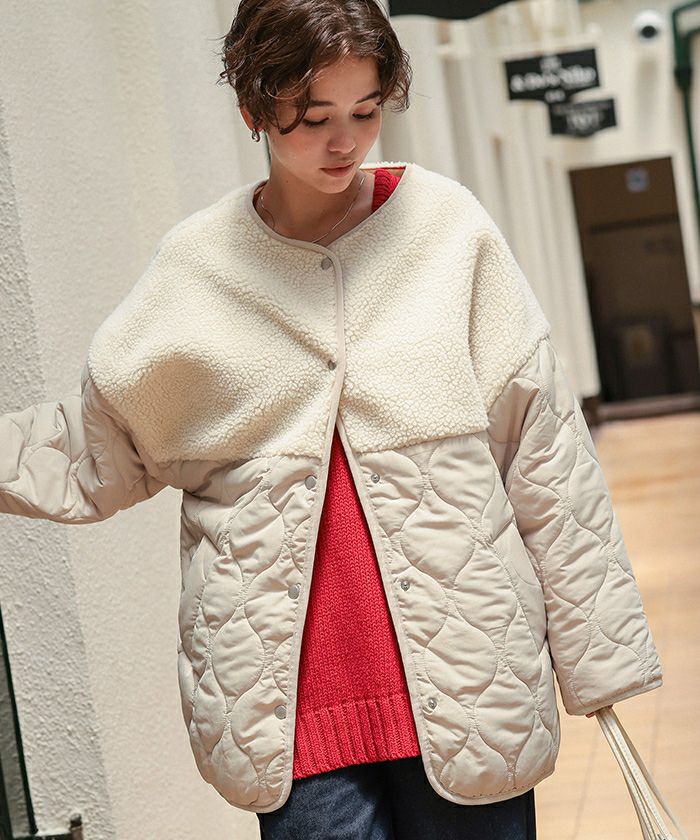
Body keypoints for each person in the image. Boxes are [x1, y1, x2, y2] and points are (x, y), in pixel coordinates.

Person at [0, 1, 663, 838]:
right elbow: (101, 448)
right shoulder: (196, 270)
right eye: (314, 119)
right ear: (254, 110)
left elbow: (544, 451)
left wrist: (599, 659)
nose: (345, 142)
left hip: (469, 680)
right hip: (289, 715)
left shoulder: (448, 231)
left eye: (366, 111)